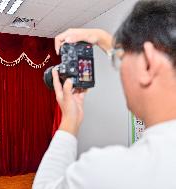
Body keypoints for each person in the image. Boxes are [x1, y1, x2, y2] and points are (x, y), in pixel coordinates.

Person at [33, 0, 176, 189]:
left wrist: (70, 120)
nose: (120, 68)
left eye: (121, 61)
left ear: (148, 64)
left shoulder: (109, 172)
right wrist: (102, 37)